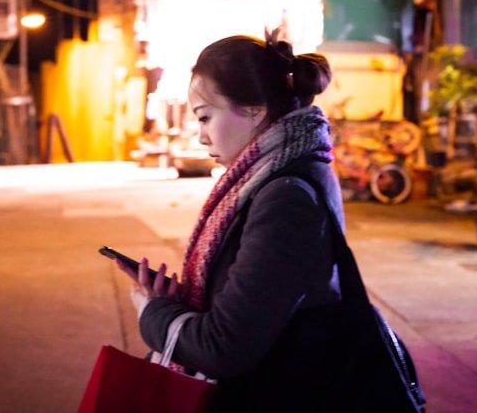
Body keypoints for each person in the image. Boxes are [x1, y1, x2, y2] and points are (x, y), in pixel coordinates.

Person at [114, 29, 372, 410]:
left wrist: (153, 312)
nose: (201, 136)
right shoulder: (278, 173)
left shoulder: (286, 196)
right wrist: (182, 302)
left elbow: (223, 347)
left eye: (205, 117)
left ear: (255, 110)